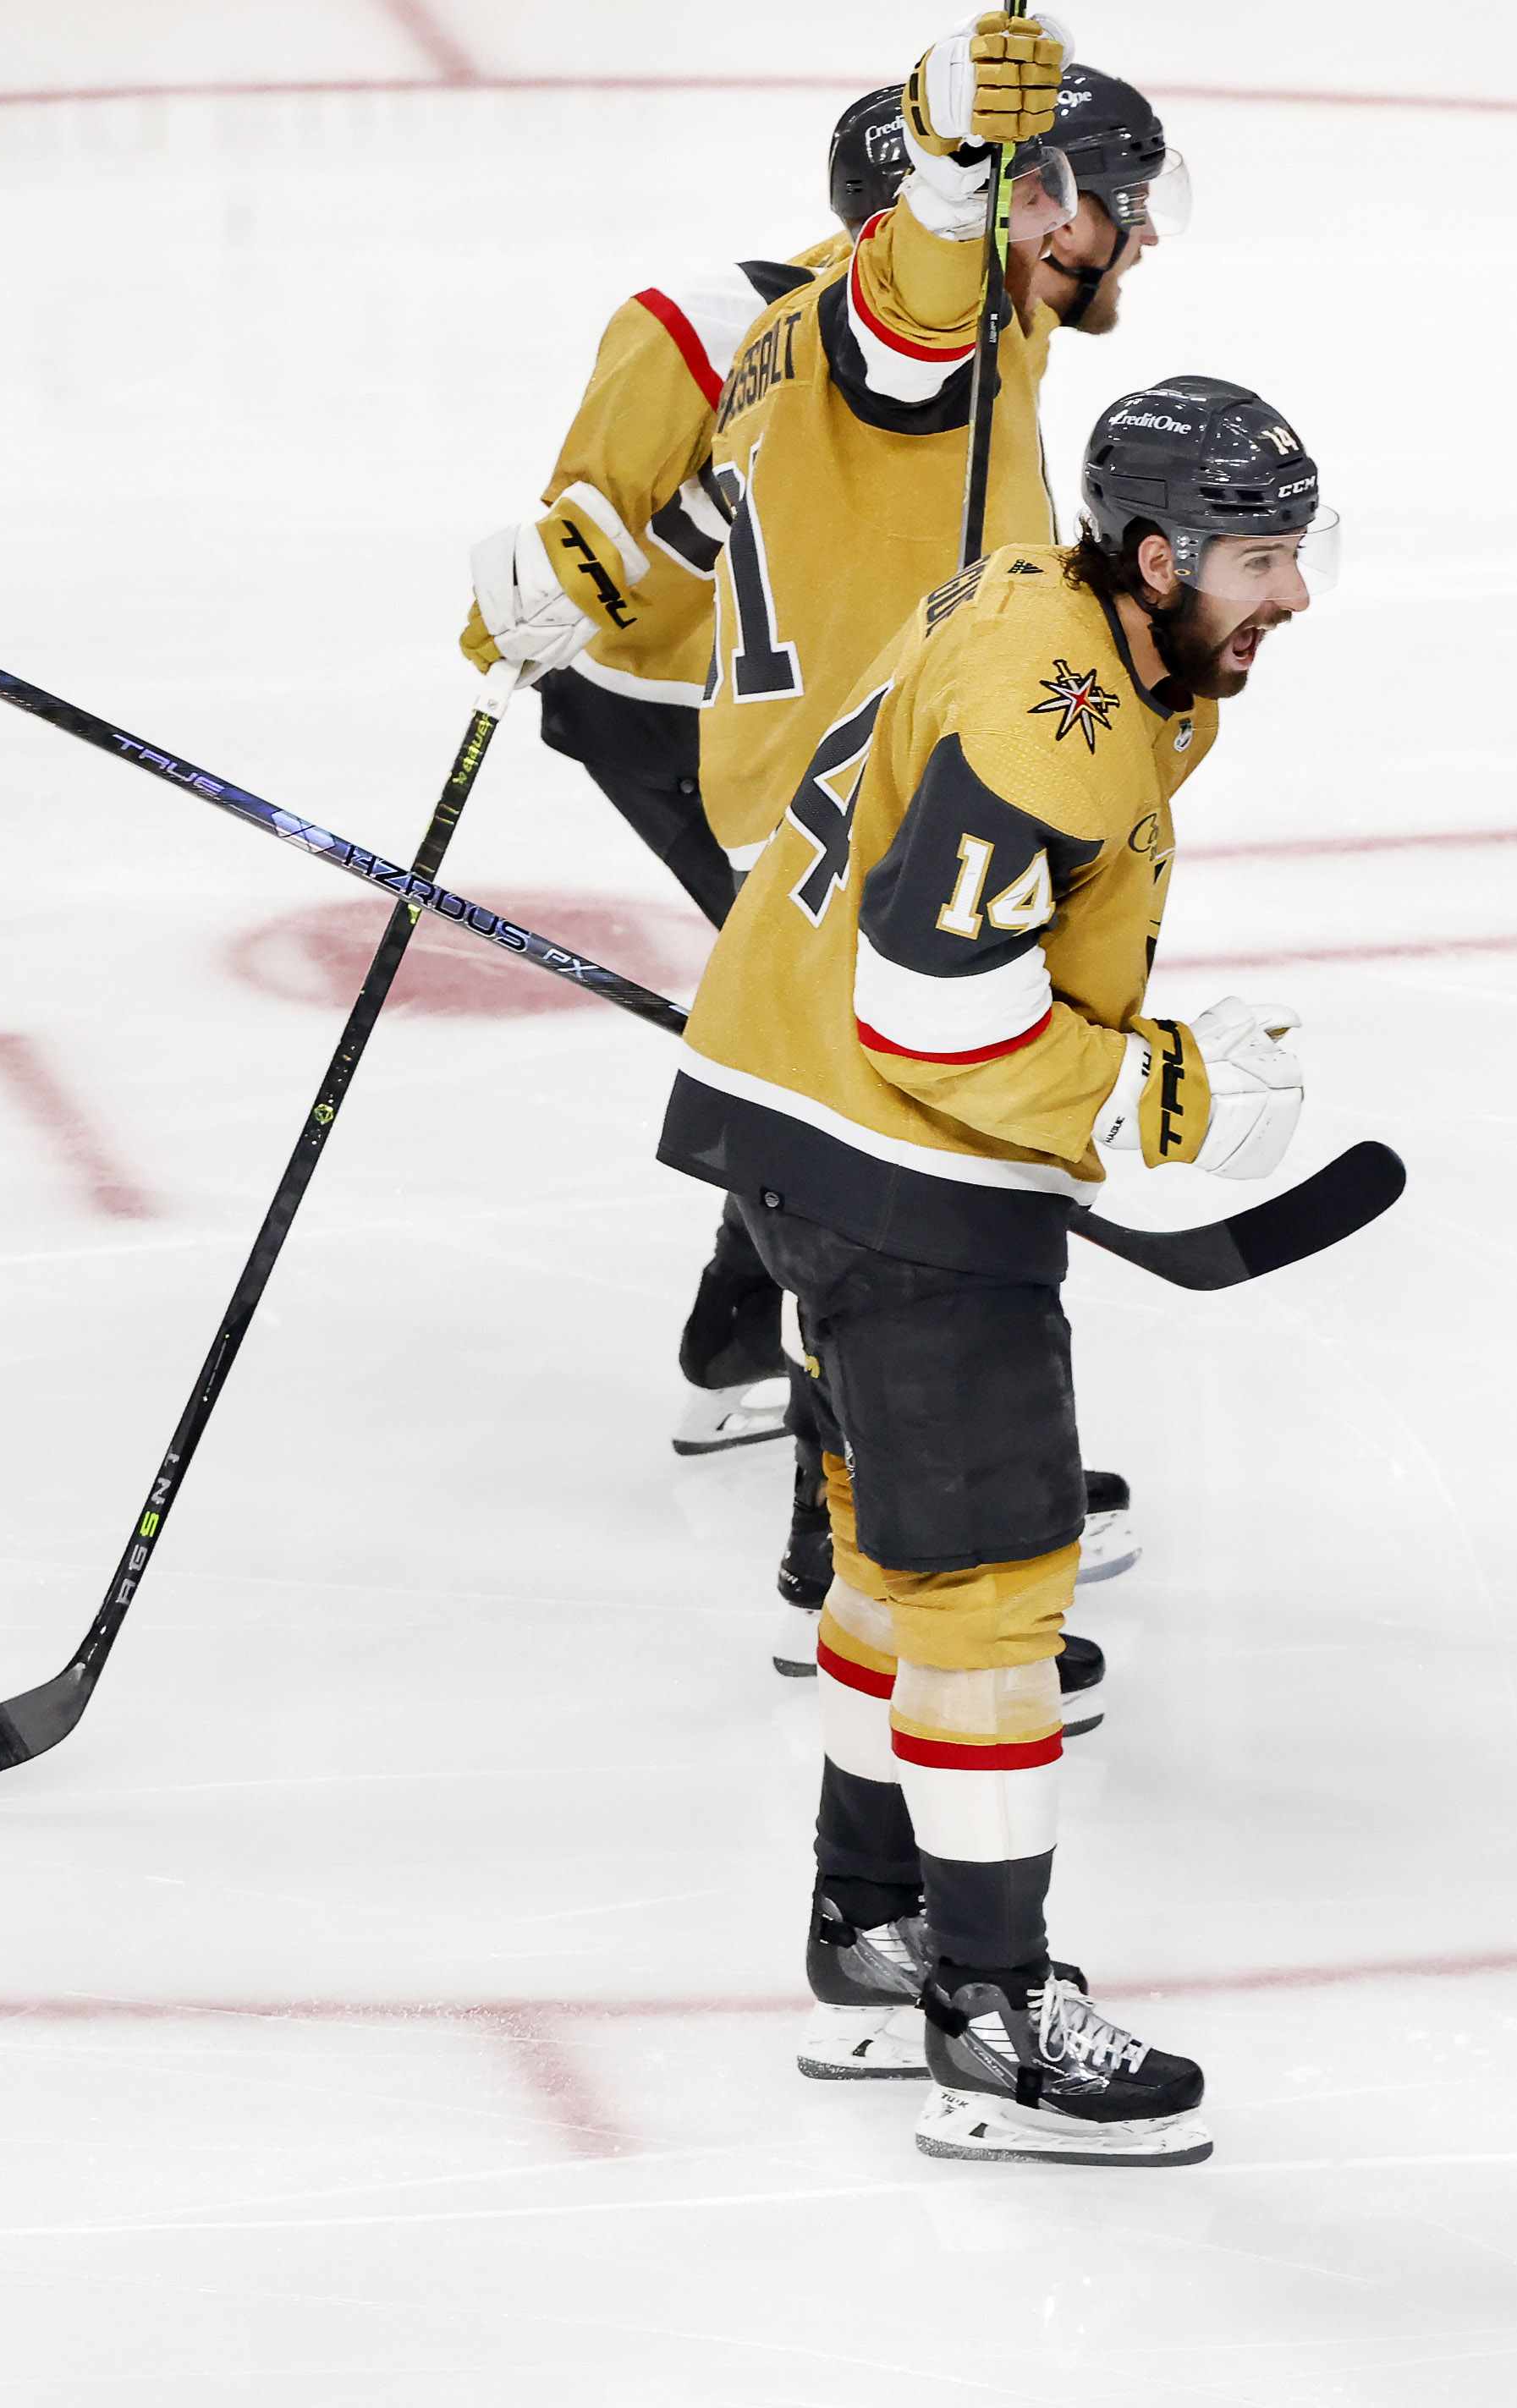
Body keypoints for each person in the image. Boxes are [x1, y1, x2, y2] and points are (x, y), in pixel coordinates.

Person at [651, 376, 1337, 2162]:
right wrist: (1162, 1087)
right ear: (1160, 551)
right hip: (894, 1158)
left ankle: (870, 1931)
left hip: (805, 1120)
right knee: (996, 1588)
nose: (1296, 596)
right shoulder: (1067, 713)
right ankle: (988, 2002)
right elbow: (933, 1010)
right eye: (1265, 560)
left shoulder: (1032, 602)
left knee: (899, 1561)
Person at [465, 24, 1187, 1661]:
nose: (1139, 238)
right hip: (751, 745)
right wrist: (558, 563)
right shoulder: (870, 321)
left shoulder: (902, 321)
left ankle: (740, 1348)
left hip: (809, 740)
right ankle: (845, 1539)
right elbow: (867, 355)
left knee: (812, 1074)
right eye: (1119, 204)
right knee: (858, 1112)